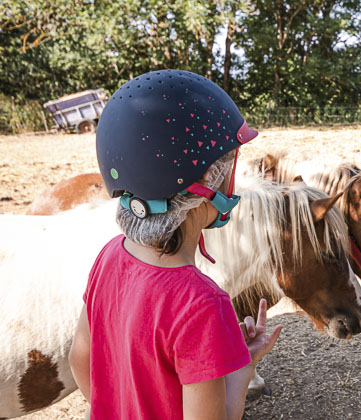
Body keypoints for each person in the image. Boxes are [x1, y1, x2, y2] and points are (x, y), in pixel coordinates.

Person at [68, 70, 282, 420]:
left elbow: (80, 360)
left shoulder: (109, 256)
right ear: (203, 181)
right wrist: (243, 370)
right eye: (228, 166)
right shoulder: (202, 303)